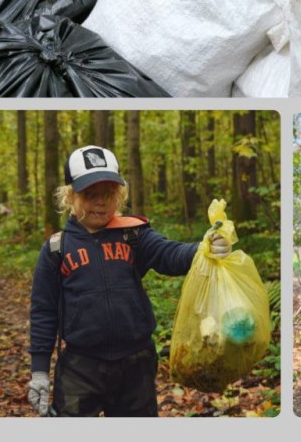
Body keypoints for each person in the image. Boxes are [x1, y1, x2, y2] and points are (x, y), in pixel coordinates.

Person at [27, 145, 231, 417]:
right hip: (81, 365)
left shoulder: (133, 235)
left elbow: (169, 253)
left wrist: (203, 248)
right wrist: (39, 372)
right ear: (70, 196)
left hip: (136, 363)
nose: (101, 202)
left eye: (108, 194)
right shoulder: (56, 248)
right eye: (91, 194)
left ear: (119, 196)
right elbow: (43, 311)